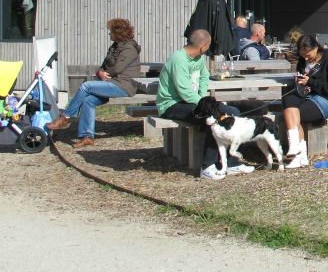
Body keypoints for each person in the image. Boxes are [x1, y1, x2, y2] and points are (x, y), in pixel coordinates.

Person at [156, 29, 253, 180]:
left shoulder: (199, 57)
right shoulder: (178, 60)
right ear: (203, 46)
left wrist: (203, 99)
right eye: (208, 46)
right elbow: (184, 91)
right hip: (172, 105)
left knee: (232, 111)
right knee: (213, 117)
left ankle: (231, 162)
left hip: (195, 102)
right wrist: (205, 105)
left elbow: (204, 77)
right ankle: (207, 166)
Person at [46, 18, 142, 148]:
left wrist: (103, 73)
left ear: (119, 33)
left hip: (124, 85)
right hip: (111, 82)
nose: (109, 34)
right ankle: (87, 137)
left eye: (111, 32)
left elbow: (117, 69)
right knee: (88, 101)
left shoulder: (129, 48)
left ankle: (66, 117)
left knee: (86, 86)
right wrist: (100, 72)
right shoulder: (114, 46)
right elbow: (103, 66)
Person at [282, 34, 328, 169]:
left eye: (308, 55)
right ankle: (297, 151)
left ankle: (298, 153)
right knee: (288, 101)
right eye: (303, 55)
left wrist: (310, 81)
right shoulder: (302, 62)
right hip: (309, 96)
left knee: (297, 114)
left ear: (316, 48)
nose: (306, 58)